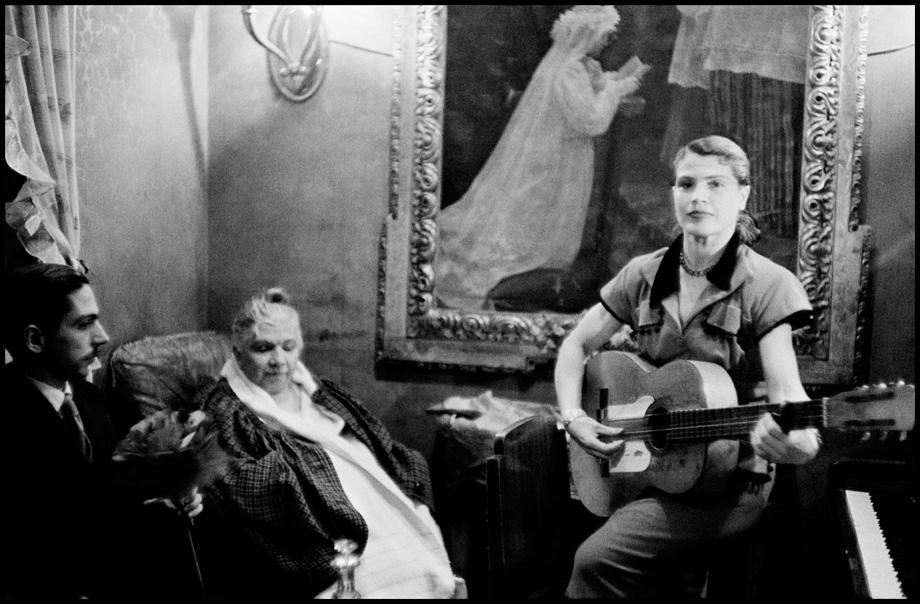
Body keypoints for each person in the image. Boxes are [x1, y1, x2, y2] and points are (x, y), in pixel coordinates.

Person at [554, 135, 820, 598]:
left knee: (594, 561)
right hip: (645, 467)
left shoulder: (768, 284)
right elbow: (576, 345)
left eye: (715, 184)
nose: (698, 196)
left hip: (727, 488)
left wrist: (795, 442)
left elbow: (790, 400)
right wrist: (573, 417)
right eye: (686, 183)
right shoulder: (643, 273)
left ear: (742, 195)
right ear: (673, 193)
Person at [194, 288, 460, 598]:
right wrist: (309, 463)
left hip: (367, 487)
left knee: (420, 558)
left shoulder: (320, 392)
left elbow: (374, 440)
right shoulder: (225, 410)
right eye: (263, 348)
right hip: (317, 513)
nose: (279, 361)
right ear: (238, 354)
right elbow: (231, 479)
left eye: (288, 347)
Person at [1, 262, 203, 599]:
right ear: (35, 339)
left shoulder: (87, 397)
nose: (103, 337)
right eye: (84, 324)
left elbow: (106, 494)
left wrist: (167, 494)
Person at [434, 5, 647, 310]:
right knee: (538, 220)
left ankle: (543, 277)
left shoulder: (575, 66)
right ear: (588, 34)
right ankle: (532, 280)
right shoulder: (568, 69)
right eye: (604, 36)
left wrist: (608, 83)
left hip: (562, 152)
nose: (606, 43)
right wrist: (616, 91)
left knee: (545, 217)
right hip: (556, 158)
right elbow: (589, 120)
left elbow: (584, 95)